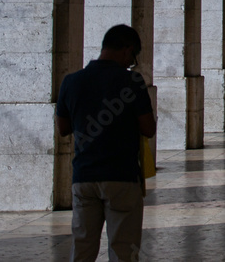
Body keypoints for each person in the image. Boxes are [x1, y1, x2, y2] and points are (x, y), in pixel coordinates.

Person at [55, 24, 156, 262]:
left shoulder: (71, 81)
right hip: (121, 177)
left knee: (82, 248)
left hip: (84, 177)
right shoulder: (132, 81)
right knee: (123, 250)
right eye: (132, 58)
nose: (131, 64)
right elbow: (148, 129)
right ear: (127, 50)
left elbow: (62, 129)